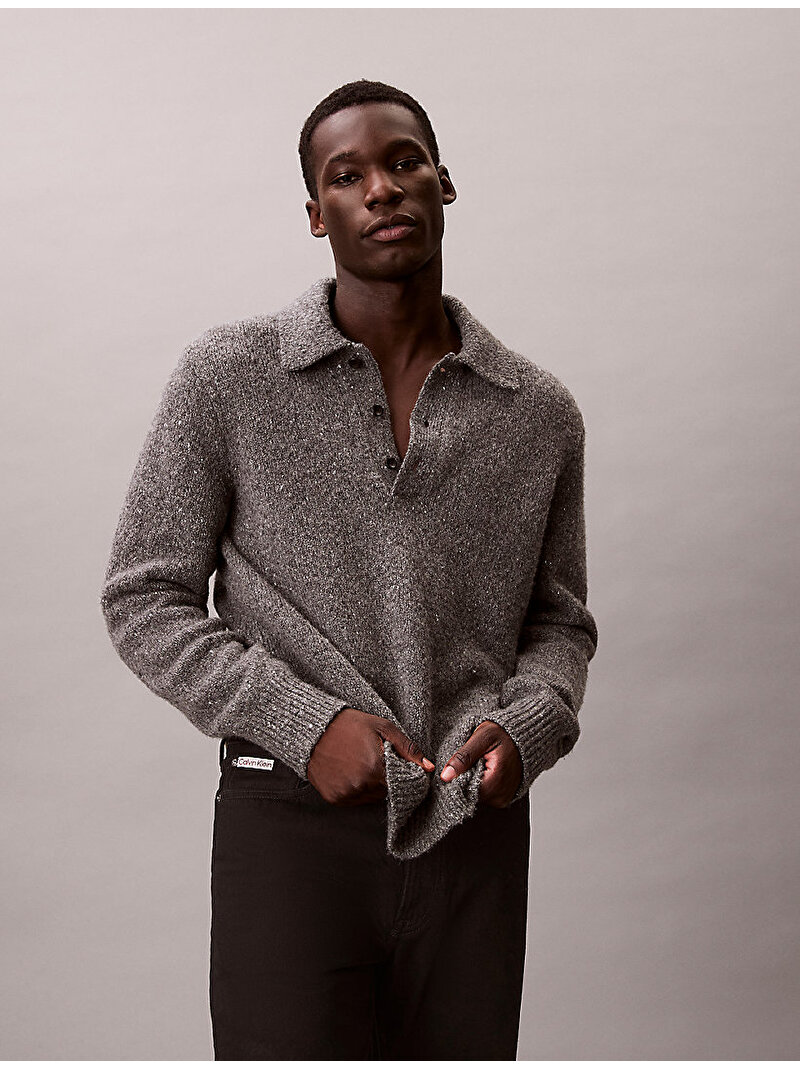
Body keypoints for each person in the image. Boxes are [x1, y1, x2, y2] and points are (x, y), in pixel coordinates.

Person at [100, 78, 598, 1060]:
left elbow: (558, 622)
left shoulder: (536, 412)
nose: (381, 188)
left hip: (471, 829)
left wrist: (529, 724)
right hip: (288, 817)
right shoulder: (229, 378)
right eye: (347, 175)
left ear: (443, 183)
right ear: (316, 214)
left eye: (404, 161)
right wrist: (304, 722)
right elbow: (143, 598)